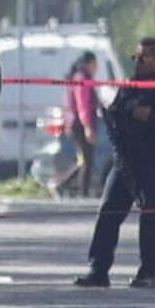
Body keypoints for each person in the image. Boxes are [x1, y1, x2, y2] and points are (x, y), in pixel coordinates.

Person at [74, 38, 155, 289]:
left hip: (151, 162)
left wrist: (150, 116)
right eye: (135, 58)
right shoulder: (130, 86)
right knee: (108, 213)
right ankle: (99, 269)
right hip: (125, 161)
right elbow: (116, 112)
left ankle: (147, 272)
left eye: (143, 59)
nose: (137, 63)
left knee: (151, 218)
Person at [56, 51, 101, 198]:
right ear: (89, 63)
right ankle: (83, 194)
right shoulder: (81, 79)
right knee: (87, 160)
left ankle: (63, 184)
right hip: (80, 125)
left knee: (84, 159)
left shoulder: (78, 77)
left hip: (76, 124)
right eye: (95, 64)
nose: (96, 68)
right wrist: (87, 126)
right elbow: (83, 104)